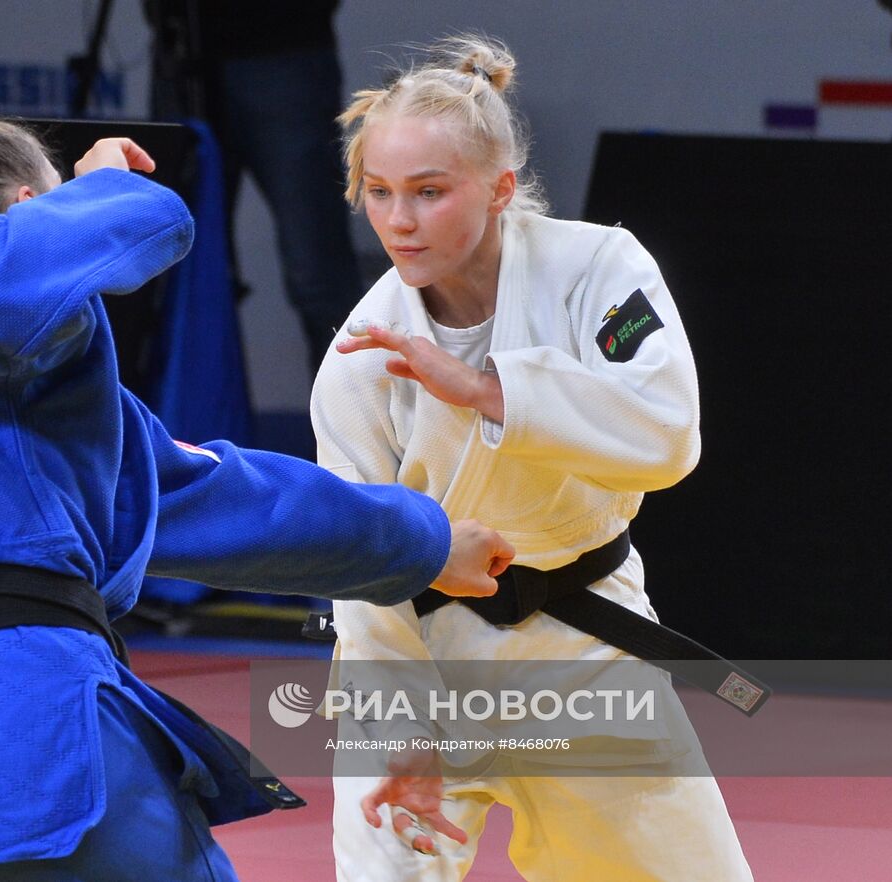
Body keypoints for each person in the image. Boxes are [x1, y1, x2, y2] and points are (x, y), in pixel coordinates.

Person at [0, 97, 515, 882]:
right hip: (23, 716)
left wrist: (430, 545)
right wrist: (97, 189)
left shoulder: (0, 418)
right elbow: (12, 269)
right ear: (34, 211)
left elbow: (239, 502)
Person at [312, 36, 754, 881]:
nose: (400, 220)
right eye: (379, 193)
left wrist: (490, 389)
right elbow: (360, 555)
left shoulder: (599, 271)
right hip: (423, 659)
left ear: (501, 188)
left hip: (584, 642)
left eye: (430, 192)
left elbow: (668, 435)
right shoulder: (362, 359)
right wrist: (403, 736)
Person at [145, 0, 362, 371]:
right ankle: (188, 423)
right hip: (182, 53)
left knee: (318, 273)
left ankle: (352, 419)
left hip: (285, 50)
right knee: (180, 275)